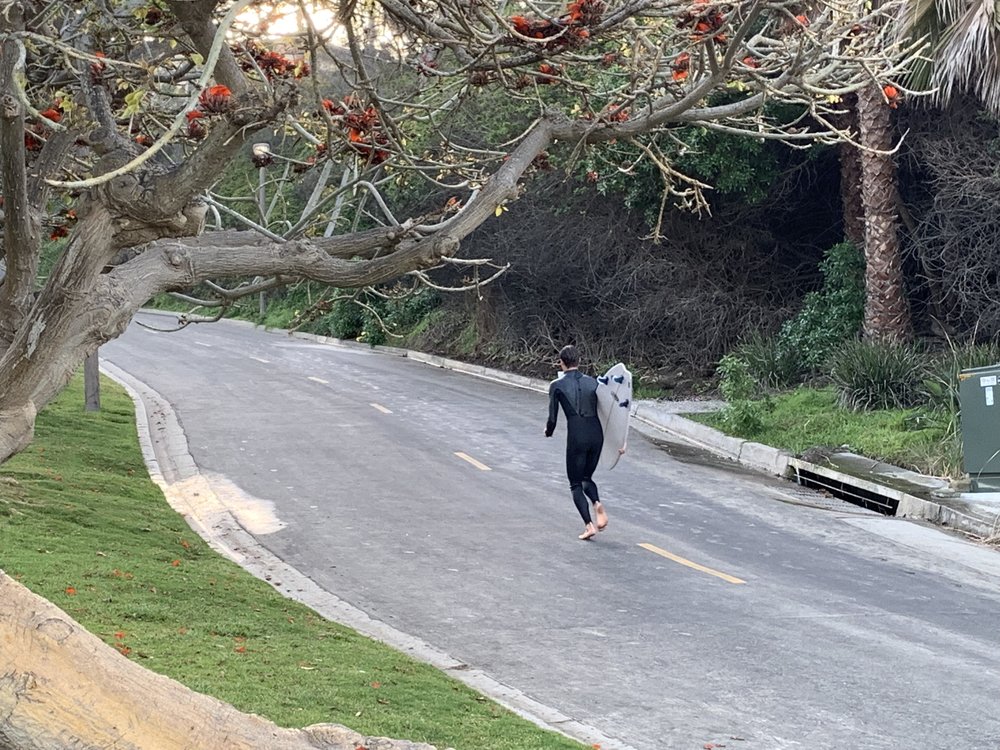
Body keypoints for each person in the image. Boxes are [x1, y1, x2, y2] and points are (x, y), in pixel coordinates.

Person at [544, 344, 610, 540]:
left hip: (577, 436)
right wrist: (619, 443)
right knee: (586, 477)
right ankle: (597, 503)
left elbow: (552, 419)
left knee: (575, 484)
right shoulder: (594, 383)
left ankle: (589, 526)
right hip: (597, 434)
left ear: (561, 363)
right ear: (579, 362)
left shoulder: (557, 385)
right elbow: (610, 413)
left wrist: (548, 432)